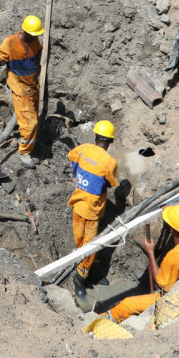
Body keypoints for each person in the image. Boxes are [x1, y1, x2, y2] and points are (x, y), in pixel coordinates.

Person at [103, 204, 179, 324]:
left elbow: (161, 283)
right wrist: (172, 212)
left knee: (127, 305)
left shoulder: (175, 256)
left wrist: (150, 253)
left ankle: (102, 321)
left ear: (171, 229)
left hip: (175, 298)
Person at [0, 15, 44, 166]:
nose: (35, 38)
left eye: (37, 35)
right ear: (25, 31)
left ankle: (28, 142)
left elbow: (39, 50)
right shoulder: (10, 42)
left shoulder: (34, 39)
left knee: (32, 119)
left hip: (33, 85)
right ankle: (24, 152)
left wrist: (39, 67)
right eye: (33, 35)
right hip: (20, 88)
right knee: (31, 123)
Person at [67, 120, 120, 303]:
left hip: (78, 206)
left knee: (83, 243)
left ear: (96, 136)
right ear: (110, 141)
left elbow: (71, 156)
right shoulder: (109, 162)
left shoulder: (83, 149)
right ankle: (79, 279)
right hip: (92, 212)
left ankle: (90, 272)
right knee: (88, 247)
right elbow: (112, 182)